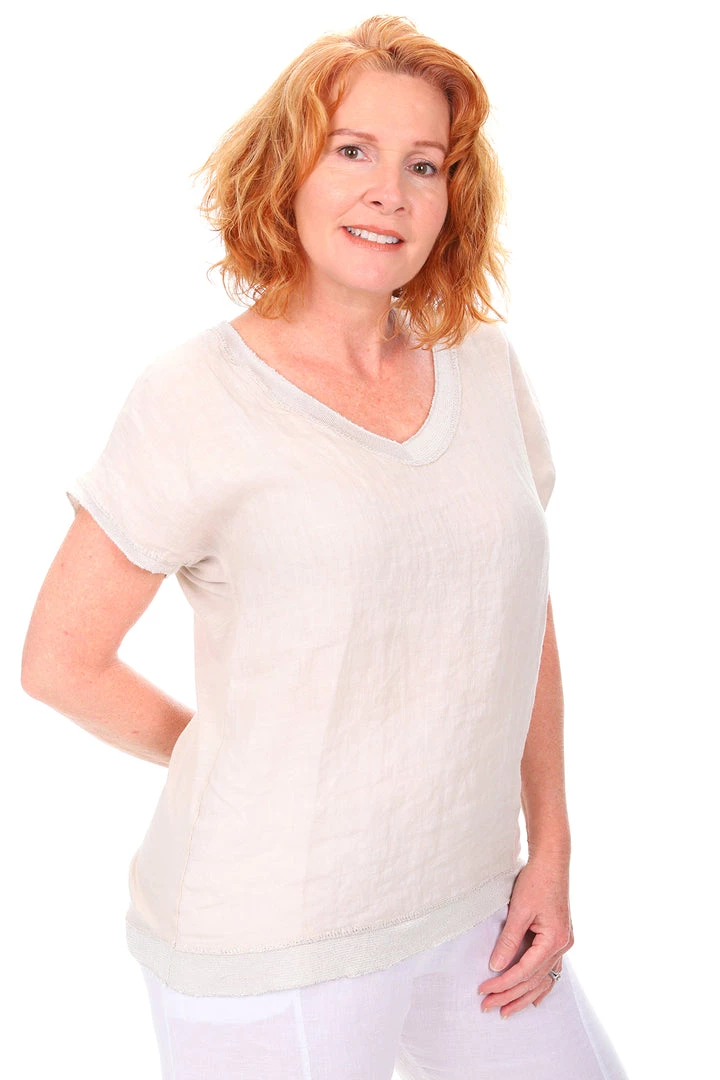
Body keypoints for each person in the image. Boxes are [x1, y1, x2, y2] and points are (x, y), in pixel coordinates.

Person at [21, 14, 630, 1080]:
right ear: (287, 172)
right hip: (271, 937)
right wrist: (231, 755)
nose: (389, 191)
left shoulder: (486, 369)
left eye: (423, 164)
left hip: (476, 908)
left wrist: (551, 848)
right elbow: (59, 662)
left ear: (452, 196)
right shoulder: (194, 397)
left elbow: (517, 612)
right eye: (352, 150)